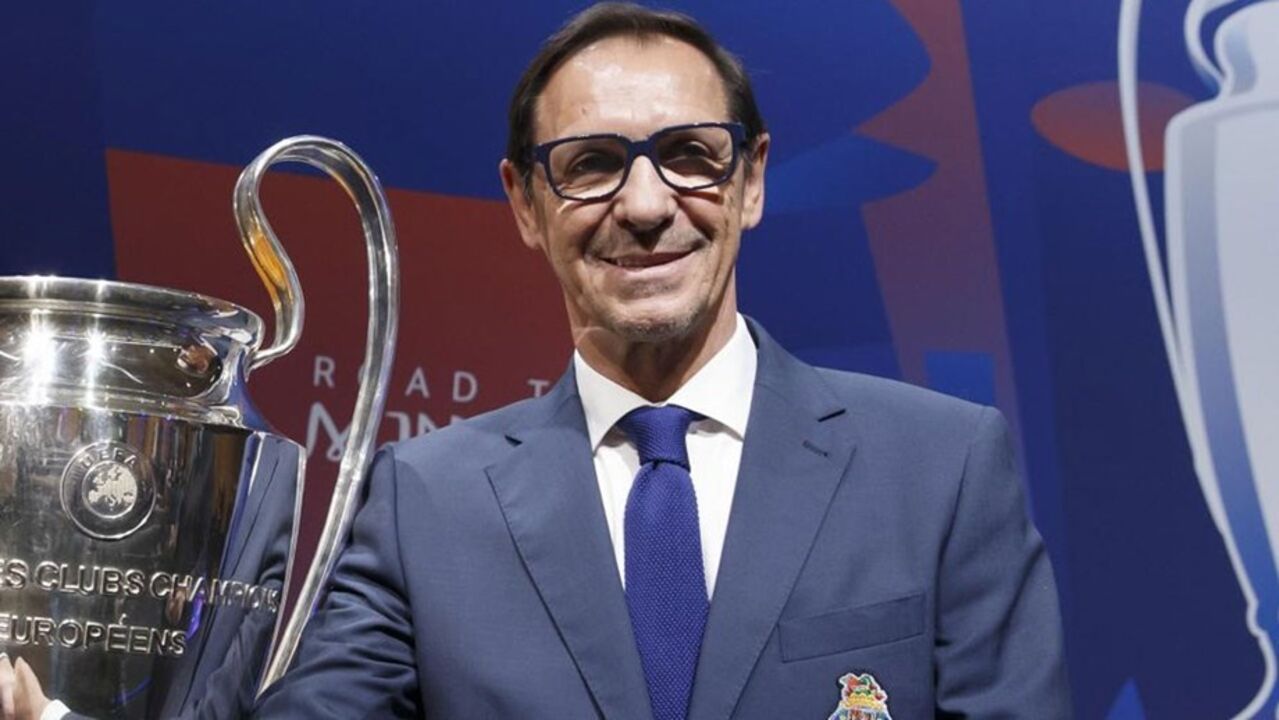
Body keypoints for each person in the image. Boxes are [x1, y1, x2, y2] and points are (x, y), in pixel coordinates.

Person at [256, 3, 1071, 718]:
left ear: (751, 181)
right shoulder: (425, 502)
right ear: (525, 204)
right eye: (590, 164)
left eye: (688, 154)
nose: (645, 205)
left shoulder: (939, 469)